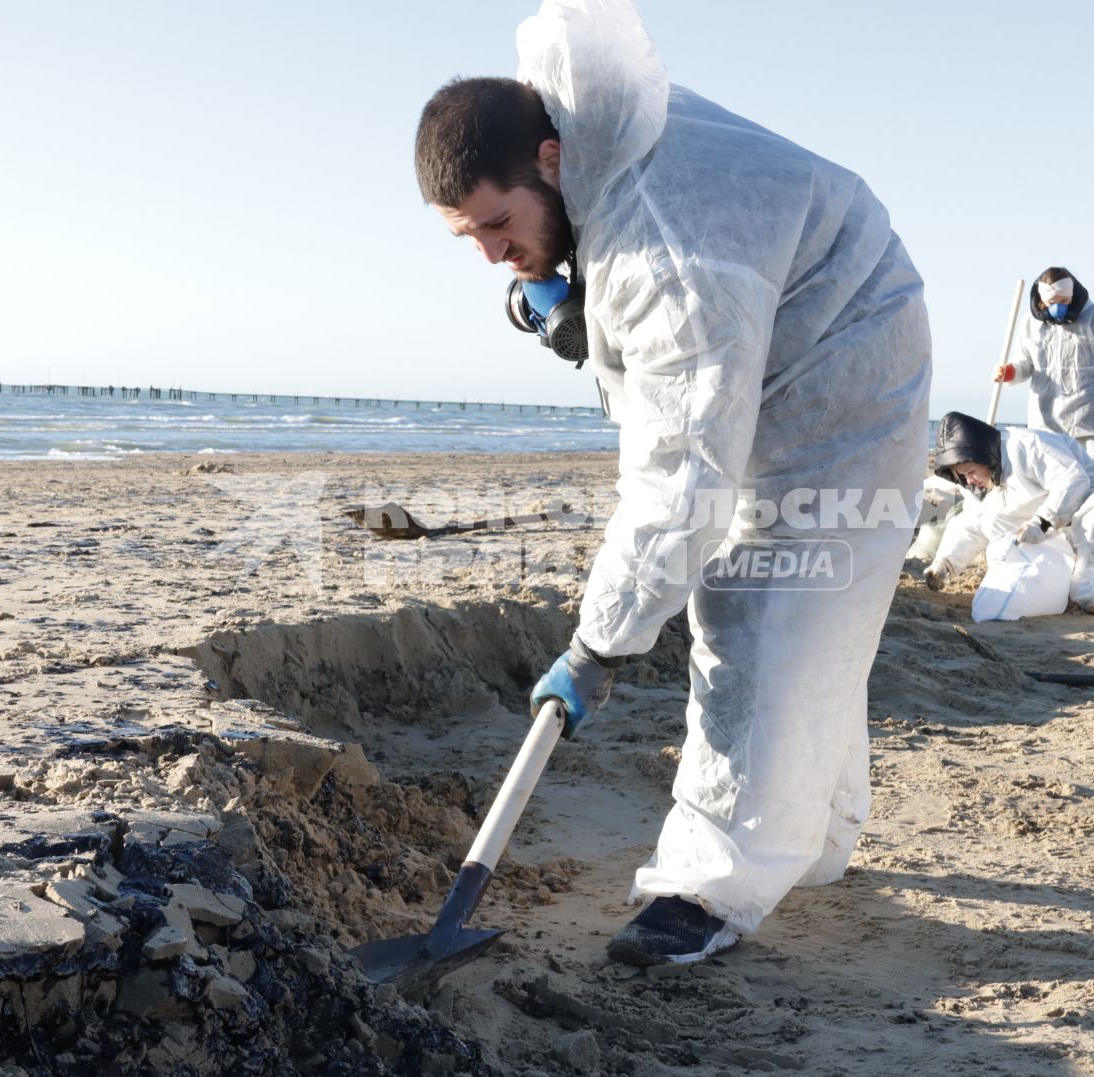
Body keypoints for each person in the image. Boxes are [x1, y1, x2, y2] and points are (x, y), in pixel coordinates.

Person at [415, 0, 931, 966]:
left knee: (770, 602)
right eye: (469, 239)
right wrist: (582, 301)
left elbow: (680, 471)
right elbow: (659, 350)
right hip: (788, 323)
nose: (491, 254)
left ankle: (705, 890)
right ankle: (814, 837)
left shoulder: (666, 248)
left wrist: (601, 640)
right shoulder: (604, 134)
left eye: (499, 225)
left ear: (551, 160)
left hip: (842, 374)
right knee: (815, 609)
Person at [922, 412, 1094, 614]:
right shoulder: (977, 484)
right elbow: (970, 525)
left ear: (982, 455)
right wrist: (944, 565)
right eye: (962, 476)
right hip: (1045, 529)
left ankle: (1086, 583)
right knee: (987, 518)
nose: (968, 480)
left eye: (970, 472)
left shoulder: (1027, 447)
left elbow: (1074, 481)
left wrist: (1043, 522)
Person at [992, 268, 1094, 479]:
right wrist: (1011, 372)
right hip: (1046, 426)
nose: (1059, 307)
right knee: (1054, 482)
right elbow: (1026, 363)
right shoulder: (1031, 323)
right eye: (1052, 302)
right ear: (1041, 300)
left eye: (1064, 300)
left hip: (1089, 425)